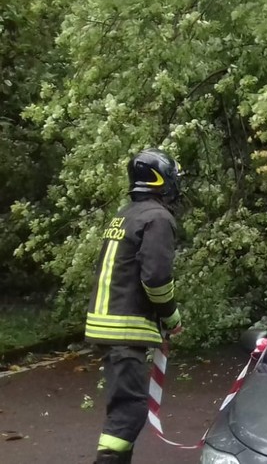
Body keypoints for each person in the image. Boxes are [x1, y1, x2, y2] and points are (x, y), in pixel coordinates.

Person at [87, 148, 184, 464]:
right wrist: (172, 317)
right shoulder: (157, 218)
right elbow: (155, 278)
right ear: (161, 180)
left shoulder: (125, 214)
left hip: (109, 326)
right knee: (130, 410)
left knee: (124, 407)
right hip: (125, 328)